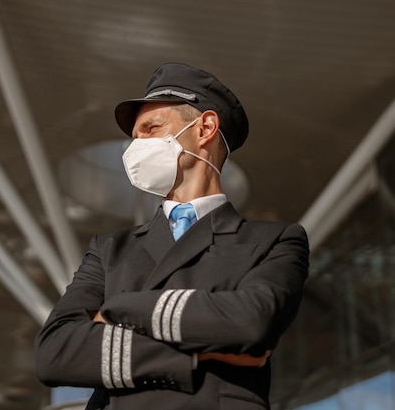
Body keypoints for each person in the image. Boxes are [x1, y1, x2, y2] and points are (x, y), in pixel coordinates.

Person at [35, 62, 309, 410]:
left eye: (151, 128)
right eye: (134, 137)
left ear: (205, 128)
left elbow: (252, 321)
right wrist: (194, 360)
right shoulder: (108, 249)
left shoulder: (274, 240)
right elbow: (54, 352)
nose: (136, 147)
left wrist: (117, 309)